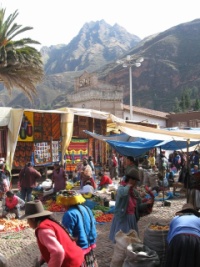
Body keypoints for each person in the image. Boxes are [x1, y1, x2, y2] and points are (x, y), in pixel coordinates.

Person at [22, 200, 84, 267]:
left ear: (33, 219)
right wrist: (41, 261)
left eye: (28, 219)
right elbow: (49, 247)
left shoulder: (43, 230)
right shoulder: (49, 223)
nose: (27, 222)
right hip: (76, 257)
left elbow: (58, 252)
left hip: (70, 263)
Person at [109, 168, 153, 243]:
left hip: (131, 218)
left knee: (131, 241)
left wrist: (147, 204)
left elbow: (138, 206)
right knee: (122, 240)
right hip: (122, 218)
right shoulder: (121, 189)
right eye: (134, 180)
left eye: (136, 181)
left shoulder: (134, 192)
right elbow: (123, 194)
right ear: (130, 180)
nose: (135, 183)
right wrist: (128, 185)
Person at [62, 191, 98, 267]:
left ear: (67, 202)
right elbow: (93, 224)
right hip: (89, 245)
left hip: (79, 248)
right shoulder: (87, 208)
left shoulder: (69, 214)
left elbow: (66, 235)